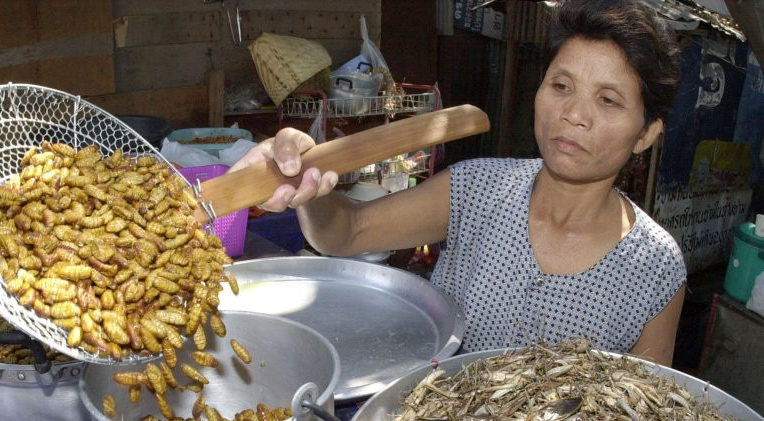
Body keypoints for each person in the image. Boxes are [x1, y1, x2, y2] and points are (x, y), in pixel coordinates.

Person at [229, 0, 687, 366]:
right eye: (561, 86)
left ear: (646, 133)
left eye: (608, 100)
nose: (573, 115)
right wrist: (308, 186)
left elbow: (647, 414)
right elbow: (344, 233)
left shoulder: (655, 269)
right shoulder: (477, 190)